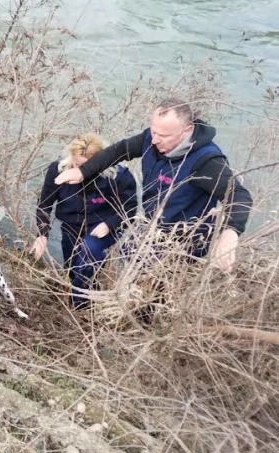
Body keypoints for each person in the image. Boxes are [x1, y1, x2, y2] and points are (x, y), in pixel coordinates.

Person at [54, 99, 253, 272]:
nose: (155, 140)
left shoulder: (207, 162)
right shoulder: (152, 138)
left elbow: (238, 195)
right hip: (151, 229)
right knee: (128, 254)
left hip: (181, 243)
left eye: (163, 136)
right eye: (153, 131)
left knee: (156, 294)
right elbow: (120, 150)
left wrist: (230, 231)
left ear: (187, 131)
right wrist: (83, 171)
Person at [31, 134, 137, 309]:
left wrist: (110, 224)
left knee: (89, 251)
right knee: (74, 268)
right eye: (76, 164)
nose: (79, 169)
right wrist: (42, 235)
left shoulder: (118, 176)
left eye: (85, 166)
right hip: (72, 224)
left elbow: (131, 209)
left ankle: (79, 306)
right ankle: (89, 293)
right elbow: (44, 204)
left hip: (103, 226)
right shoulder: (58, 170)